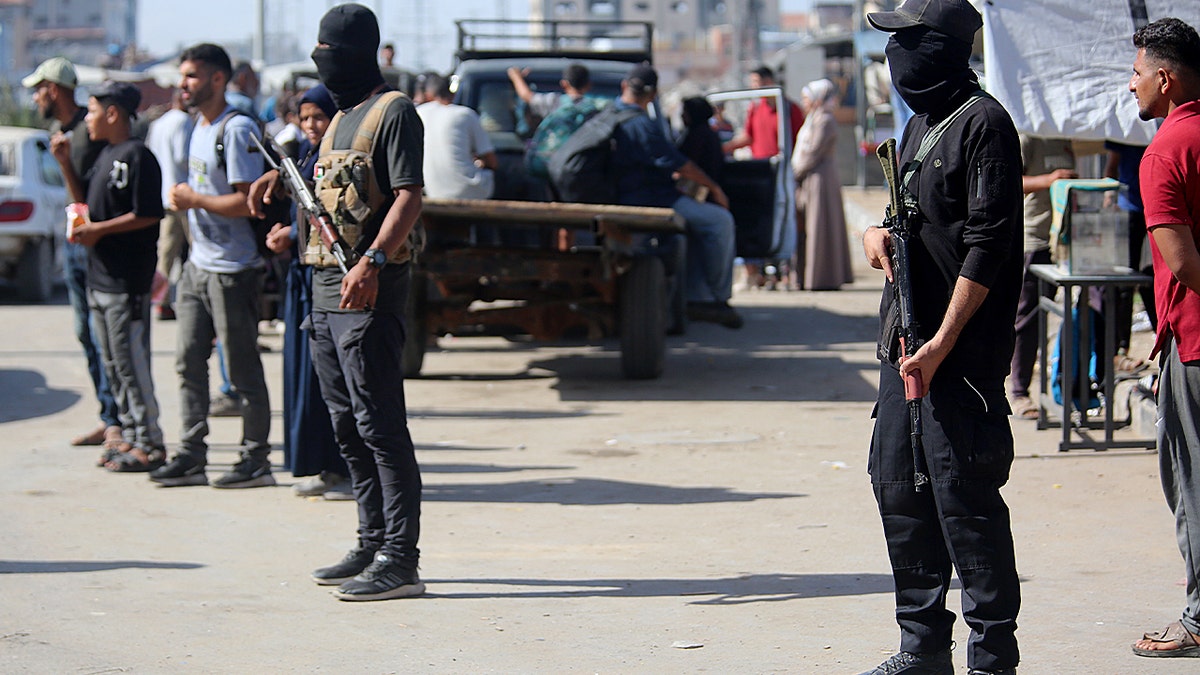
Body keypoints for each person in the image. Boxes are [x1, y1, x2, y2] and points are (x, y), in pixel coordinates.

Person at [860, 1, 1023, 674]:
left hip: (958, 356)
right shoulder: (923, 123)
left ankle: (992, 659)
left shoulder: (983, 123)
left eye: (906, 41)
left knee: (966, 502)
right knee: (899, 485)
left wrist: (945, 341)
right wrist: (876, 235)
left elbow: (988, 246)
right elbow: (912, 219)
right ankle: (922, 648)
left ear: (939, 48)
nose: (896, 59)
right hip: (907, 348)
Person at [251, 2, 426, 601]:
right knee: (346, 425)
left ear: (363, 56)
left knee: (381, 425)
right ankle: (371, 537)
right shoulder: (338, 118)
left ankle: (402, 558)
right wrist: (286, 232)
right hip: (323, 292)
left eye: (333, 57)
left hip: (368, 292)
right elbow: (325, 203)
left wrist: (374, 260)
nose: (324, 67)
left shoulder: (392, 113)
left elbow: (408, 197)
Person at [151, 43, 272, 489]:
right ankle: (192, 452)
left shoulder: (235, 130)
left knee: (241, 369)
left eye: (191, 76)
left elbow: (250, 202)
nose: (183, 85)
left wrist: (195, 200)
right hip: (198, 266)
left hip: (233, 268)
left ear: (217, 79)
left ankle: (255, 458)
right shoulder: (196, 127)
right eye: (182, 76)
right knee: (187, 361)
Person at [1126, 16, 1200, 660]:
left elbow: (1181, 261)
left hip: (1197, 339)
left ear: (1165, 78)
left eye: (1137, 73)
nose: (1132, 87)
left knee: (1193, 479)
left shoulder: (1167, 149)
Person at [58, 82, 166, 472]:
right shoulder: (105, 155)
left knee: (132, 364)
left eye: (91, 110)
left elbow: (149, 213)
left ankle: (150, 443)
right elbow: (84, 204)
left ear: (113, 113)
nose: (88, 119)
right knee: (114, 365)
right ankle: (130, 434)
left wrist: (101, 231)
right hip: (99, 280)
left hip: (126, 283)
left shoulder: (138, 156)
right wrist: (65, 164)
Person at [24, 57, 122, 449]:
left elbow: (90, 197)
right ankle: (108, 415)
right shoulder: (60, 130)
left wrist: (64, 164)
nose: (35, 98)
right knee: (86, 334)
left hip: (97, 248)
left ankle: (119, 421)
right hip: (75, 246)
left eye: (38, 90)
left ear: (54, 89)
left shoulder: (89, 130)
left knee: (105, 338)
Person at [262, 84, 350, 501]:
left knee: (332, 382)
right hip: (302, 279)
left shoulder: (338, 160)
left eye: (320, 116)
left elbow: (339, 217)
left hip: (329, 282)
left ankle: (345, 469)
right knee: (306, 380)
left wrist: (295, 235)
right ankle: (320, 465)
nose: (312, 125)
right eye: (305, 117)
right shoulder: (305, 159)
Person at [610, 64, 741, 329]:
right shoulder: (642, 124)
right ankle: (713, 300)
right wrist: (715, 189)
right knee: (720, 221)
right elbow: (681, 164)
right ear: (654, 94)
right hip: (654, 200)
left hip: (624, 196)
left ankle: (698, 294)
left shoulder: (604, 117)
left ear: (625, 86)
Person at [1007, 135, 1077, 420]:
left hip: (1063, 242)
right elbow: (1010, 183)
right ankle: (1019, 391)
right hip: (1033, 239)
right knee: (1028, 318)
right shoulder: (1028, 138)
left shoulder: (1066, 138)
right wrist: (1049, 180)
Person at [791, 79, 852, 291]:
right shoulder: (814, 119)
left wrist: (795, 173)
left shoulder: (825, 120)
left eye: (807, 98)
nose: (804, 102)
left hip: (820, 179)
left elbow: (813, 152)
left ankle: (821, 278)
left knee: (820, 227)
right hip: (811, 178)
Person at [1104, 140, 1157, 368]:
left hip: (1156, 206)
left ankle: (1162, 339)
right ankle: (1121, 348)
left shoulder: (1157, 122)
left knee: (1153, 277)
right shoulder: (1124, 129)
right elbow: (1112, 166)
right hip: (1130, 209)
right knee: (1125, 283)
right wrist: (1110, 194)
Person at [145, 89, 195, 322]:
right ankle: (168, 300)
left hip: (164, 194)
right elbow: (183, 157)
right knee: (195, 249)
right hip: (182, 195)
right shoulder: (183, 122)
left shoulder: (159, 123)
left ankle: (161, 300)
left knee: (165, 252)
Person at [416, 73, 497, 200]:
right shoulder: (465, 114)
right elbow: (492, 162)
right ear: (452, 94)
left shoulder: (419, 113)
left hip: (433, 192)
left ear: (428, 95)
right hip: (470, 192)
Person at [721, 65, 804, 159]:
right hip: (760, 165)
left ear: (768, 81)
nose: (753, 86)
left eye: (755, 81)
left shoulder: (789, 108)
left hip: (782, 165)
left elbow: (800, 139)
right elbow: (748, 137)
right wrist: (723, 148)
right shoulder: (755, 107)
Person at [507, 63, 592, 120]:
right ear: (588, 86)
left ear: (564, 84)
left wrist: (515, 76)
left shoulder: (554, 102)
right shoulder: (595, 108)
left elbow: (526, 96)